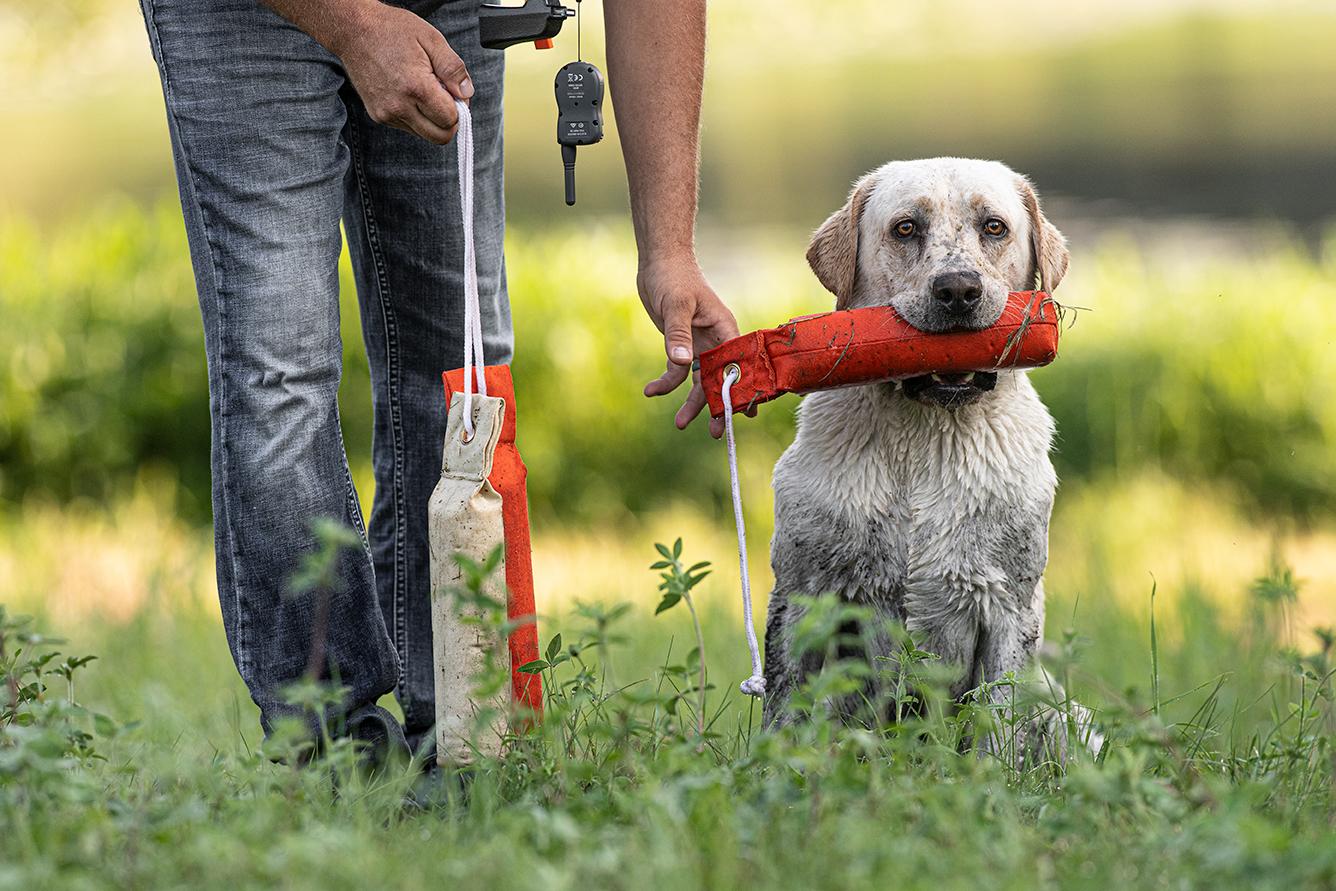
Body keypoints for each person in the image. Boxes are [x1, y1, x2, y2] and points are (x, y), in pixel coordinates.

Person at [138, 0, 737, 758]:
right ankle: (334, 752)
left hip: (444, 11)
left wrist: (668, 250)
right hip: (242, 17)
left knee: (460, 363)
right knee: (279, 369)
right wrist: (353, 24)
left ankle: (464, 727)